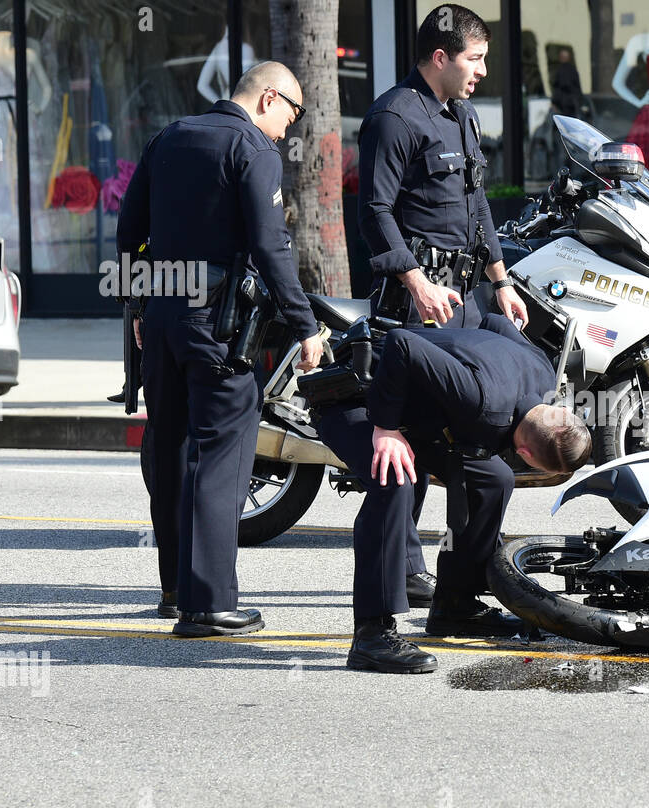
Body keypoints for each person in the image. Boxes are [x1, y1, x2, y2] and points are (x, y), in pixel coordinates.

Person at [117, 61, 323, 637]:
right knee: (223, 455)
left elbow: (129, 228)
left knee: (172, 448)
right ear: (268, 99)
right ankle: (208, 605)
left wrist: (137, 308)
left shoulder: (167, 138)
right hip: (220, 324)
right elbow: (270, 244)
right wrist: (305, 325)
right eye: (293, 113)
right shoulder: (252, 149)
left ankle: (176, 589)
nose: (290, 128)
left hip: (161, 316)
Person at [356, 3, 530, 610]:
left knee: (464, 437)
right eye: (474, 59)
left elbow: (478, 205)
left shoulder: (463, 115)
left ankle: (462, 571)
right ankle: (402, 566)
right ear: (440, 57)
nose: (482, 71)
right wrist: (414, 283)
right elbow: (374, 212)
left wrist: (501, 281)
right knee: (410, 432)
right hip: (414, 301)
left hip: (462, 298)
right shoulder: (393, 117)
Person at [314, 314, 592, 673]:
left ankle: (455, 606)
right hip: (357, 397)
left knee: (494, 478)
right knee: (396, 481)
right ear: (526, 454)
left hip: (413, 411)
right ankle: (372, 634)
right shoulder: (483, 402)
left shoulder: (542, 373)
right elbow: (402, 340)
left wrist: (463, 360)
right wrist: (385, 429)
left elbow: (495, 323)